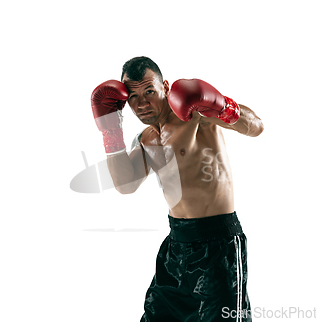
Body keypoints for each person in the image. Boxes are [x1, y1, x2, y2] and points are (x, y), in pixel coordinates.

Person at [91, 57, 264, 321]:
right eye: (133, 96)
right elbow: (126, 185)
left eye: (149, 91)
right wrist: (110, 130)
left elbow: (256, 126)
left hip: (218, 244)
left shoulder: (197, 116)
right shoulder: (146, 139)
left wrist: (220, 105)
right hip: (177, 247)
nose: (142, 103)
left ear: (166, 88)